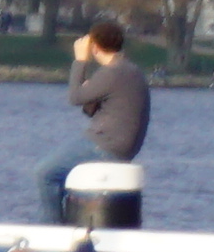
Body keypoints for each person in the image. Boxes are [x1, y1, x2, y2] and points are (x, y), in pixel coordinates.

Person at [45, 17, 150, 216]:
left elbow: (75, 97)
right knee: (63, 174)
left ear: (95, 46)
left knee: (45, 174)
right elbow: (91, 107)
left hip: (106, 144)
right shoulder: (129, 70)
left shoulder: (112, 72)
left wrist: (80, 61)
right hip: (123, 146)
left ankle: (53, 229)